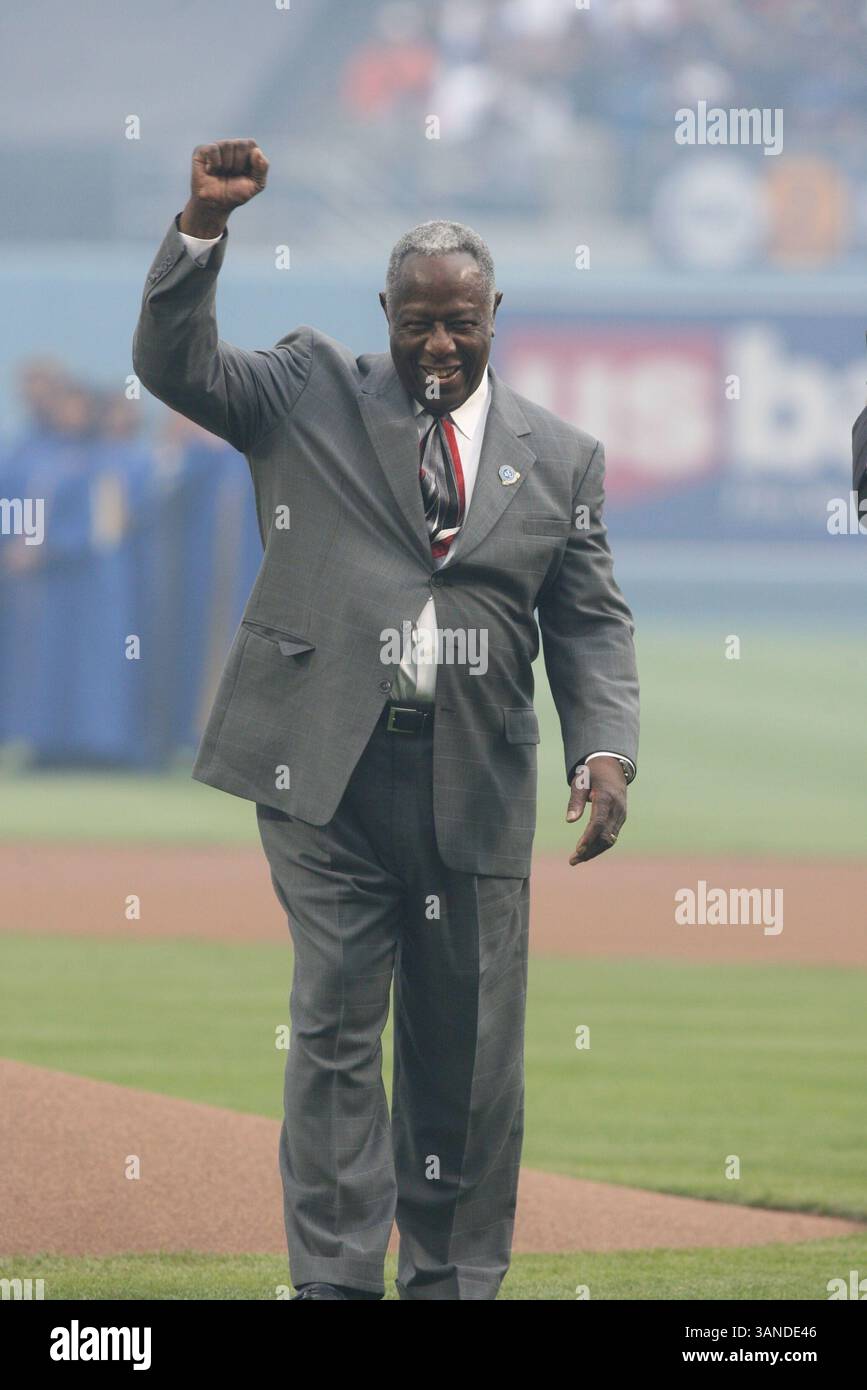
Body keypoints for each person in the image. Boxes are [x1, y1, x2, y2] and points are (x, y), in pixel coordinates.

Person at [132, 138, 639, 1301]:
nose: (439, 344)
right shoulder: (306, 388)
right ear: (386, 313)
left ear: (496, 314)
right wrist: (201, 230)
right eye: (418, 321)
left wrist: (604, 750)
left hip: (478, 781)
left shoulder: (562, 461)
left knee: (466, 1059)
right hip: (325, 772)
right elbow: (175, 362)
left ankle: (454, 1280)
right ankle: (336, 1281)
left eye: (460, 322)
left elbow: (594, 627)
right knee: (336, 1030)